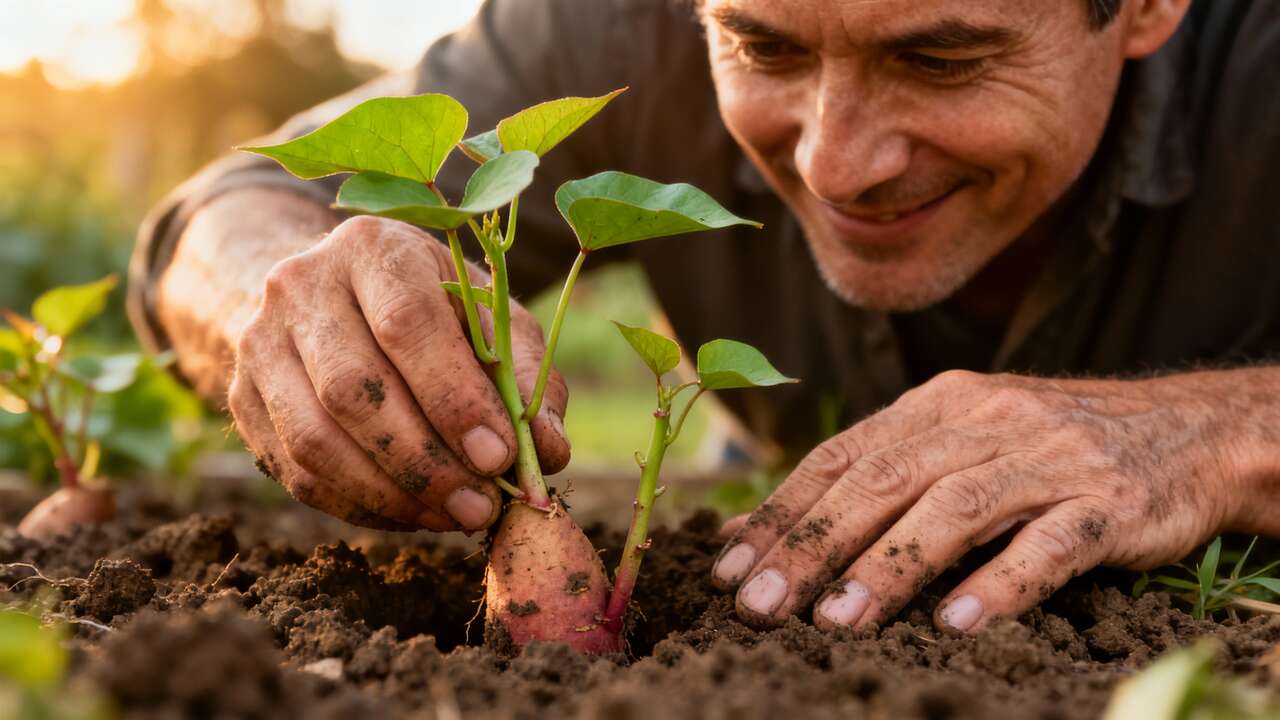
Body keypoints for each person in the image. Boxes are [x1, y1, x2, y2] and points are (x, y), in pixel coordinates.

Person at [129, 0, 1280, 634]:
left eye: (939, 56)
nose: (833, 160)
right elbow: (226, 212)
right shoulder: (616, 31)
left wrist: (1220, 433)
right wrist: (287, 307)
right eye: (761, 46)